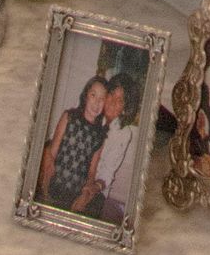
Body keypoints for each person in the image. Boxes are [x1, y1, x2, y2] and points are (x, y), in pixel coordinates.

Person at [39, 75, 106, 211]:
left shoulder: (100, 135)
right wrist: (44, 187)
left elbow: (92, 171)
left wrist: (84, 196)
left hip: (74, 195)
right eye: (93, 95)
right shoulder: (69, 117)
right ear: (85, 96)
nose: (97, 102)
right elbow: (52, 152)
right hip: (52, 185)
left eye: (102, 99)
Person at [94, 74, 139, 224]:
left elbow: (107, 172)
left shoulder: (123, 133)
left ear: (125, 109)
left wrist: (91, 190)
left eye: (120, 100)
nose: (112, 102)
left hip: (97, 190)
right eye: (112, 95)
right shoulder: (93, 114)